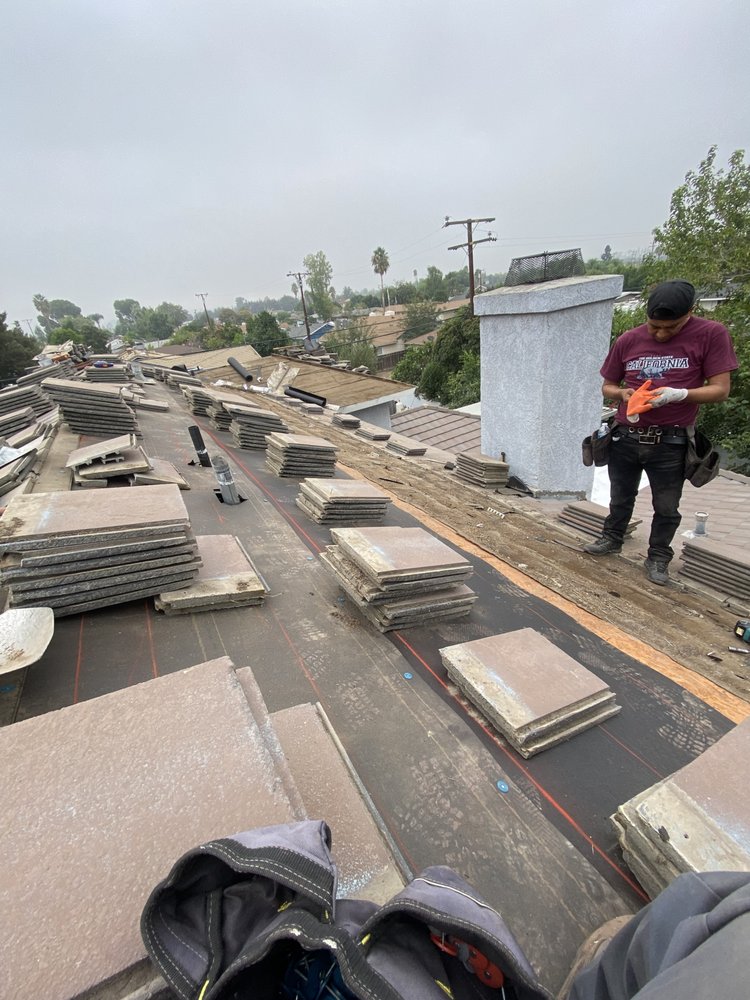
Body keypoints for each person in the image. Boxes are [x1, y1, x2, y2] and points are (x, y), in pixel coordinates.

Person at [584, 279, 738, 585]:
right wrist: (623, 394)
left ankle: (658, 556)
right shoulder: (629, 340)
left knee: (666, 505)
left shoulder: (711, 334)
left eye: (671, 327)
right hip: (625, 435)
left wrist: (680, 394)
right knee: (619, 495)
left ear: (690, 313)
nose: (661, 334)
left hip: (670, 439)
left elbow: (721, 390)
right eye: (655, 327)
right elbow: (608, 385)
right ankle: (612, 538)